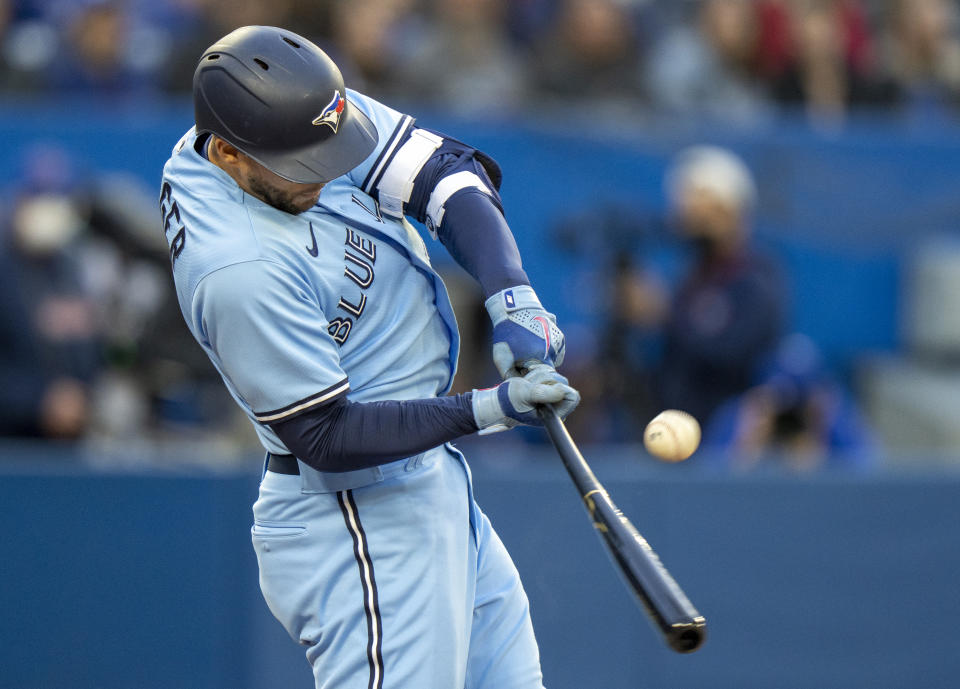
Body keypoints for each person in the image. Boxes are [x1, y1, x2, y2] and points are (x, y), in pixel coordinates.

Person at [160, 26, 578, 689]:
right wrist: (488, 408)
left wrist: (510, 292)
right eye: (302, 165)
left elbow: (442, 172)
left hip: (422, 479)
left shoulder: (280, 112)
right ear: (229, 155)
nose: (325, 173)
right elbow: (325, 433)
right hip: (354, 513)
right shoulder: (236, 267)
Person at [656, 145, 785, 426]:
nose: (691, 219)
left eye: (703, 209)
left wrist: (664, 315)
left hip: (726, 436)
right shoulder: (694, 276)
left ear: (730, 210)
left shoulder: (754, 279)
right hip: (675, 424)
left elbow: (735, 351)